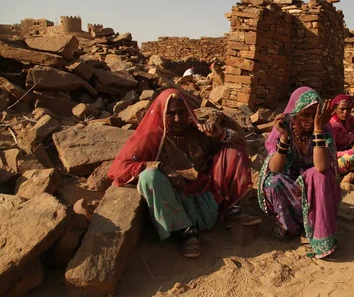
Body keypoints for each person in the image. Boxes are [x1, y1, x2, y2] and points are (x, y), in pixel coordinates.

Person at [108, 89, 255, 258]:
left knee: (234, 151)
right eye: (171, 113)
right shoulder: (154, 137)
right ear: (163, 113)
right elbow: (118, 169)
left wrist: (221, 134)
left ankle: (230, 209)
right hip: (175, 198)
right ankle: (185, 232)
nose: (178, 119)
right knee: (149, 177)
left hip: (206, 199)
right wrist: (160, 166)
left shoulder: (198, 131)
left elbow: (240, 142)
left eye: (182, 112)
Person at [258, 87, 341, 259]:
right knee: (272, 181)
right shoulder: (285, 128)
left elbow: (321, 166)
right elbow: (275, 169)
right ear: (294, 114)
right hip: (290, 186)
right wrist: (284, 138)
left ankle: (319, 233)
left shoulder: (324, 130)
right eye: (305, 115)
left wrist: (318, 129)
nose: (310, 120)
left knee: (320, 176)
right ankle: (290, 225)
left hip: (315, 189)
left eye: (315, 115)